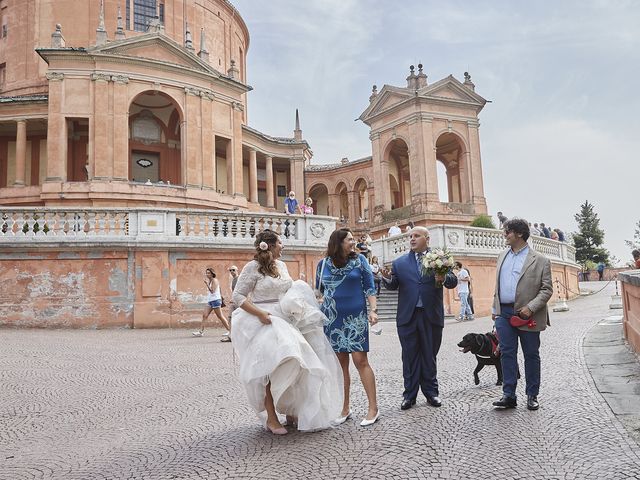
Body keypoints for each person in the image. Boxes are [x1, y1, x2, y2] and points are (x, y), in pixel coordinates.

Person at [231, 230, 343, 434]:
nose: (283, 245)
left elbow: (288, 290)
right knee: (267, 369)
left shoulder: (281, 265)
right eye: (280, 242)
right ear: (270, 245)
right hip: (262, 320)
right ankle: (271, 417)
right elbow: (238, 296)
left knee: (297, 362)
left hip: (285, 318)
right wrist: (259, 314)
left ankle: (291, 410)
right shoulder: (252, 267)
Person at [381, 227, 458, 410]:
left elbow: (452, 281)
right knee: (409, 356)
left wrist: (443, 276)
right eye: (411, 236)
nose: (412, 239)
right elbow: (393, 286)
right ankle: (409, 395)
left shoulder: (440, 259)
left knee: (430, 355)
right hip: (408, 316)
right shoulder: (399, 263)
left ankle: (432, 393)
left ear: (427, 239)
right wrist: (385, 278)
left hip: (431, 315)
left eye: (416, 236)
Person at [317, 228, 380, 426]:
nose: (353, 242)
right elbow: (319, 290)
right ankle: (344, 408)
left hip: (355, 317)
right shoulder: (323, 264)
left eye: (353, 239)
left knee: (361, 360)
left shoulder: (360, 261)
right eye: (349, 240)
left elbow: (369, 287)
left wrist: (373, 310)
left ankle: (373, 408)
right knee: (340, 365)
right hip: (332, 317)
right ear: (338, 242)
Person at [491, 218, 553, 411]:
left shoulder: (541, 260)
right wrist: (495, 310)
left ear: (519, 233)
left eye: (507, 232)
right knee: (506, 353)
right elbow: (498, 286)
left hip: (528, 315)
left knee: (531, 355)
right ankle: (509, 395)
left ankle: (532, 394)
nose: (504, 235)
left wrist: (531, 308)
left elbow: (546, 289)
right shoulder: (502, 256)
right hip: (504, 313)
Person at [193, 267, 231, 341]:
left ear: (212, 274)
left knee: (220, 316)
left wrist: (207, 284)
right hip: (210, 301)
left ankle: (230, 331)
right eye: (206, 273)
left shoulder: (214, 280)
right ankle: (201, 332)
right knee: (205, 315)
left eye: (208, 273)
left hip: (216, 300)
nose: (207, 274)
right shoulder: (210, 281)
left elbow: (213, 291)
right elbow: (219, 290)